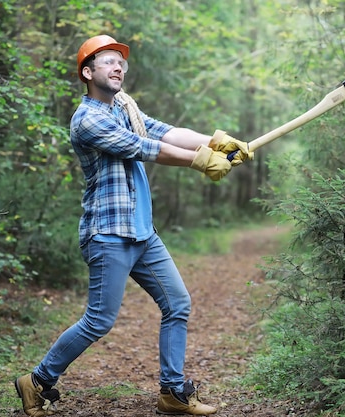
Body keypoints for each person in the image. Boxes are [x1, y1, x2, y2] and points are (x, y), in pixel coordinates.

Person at [14, 34, 253, 416]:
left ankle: (172, 392)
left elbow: (163, 132)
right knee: (99, 321)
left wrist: (216, 141)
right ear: (88, 72)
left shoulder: (126, 109)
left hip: (143, 232)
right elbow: (143, 148)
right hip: (108, 234)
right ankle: (38, 381)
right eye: (108, 61)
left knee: (177, 304)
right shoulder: (87, 120)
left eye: (120, 62)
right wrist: (200, 161)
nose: (118, 66)